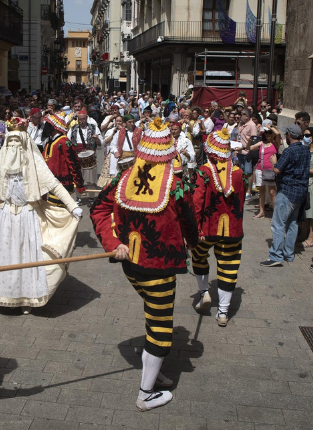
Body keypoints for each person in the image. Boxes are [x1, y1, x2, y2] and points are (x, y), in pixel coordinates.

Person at [90, 118, 198, 411]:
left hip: (130, 264)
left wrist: (113, 243)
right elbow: (189, 221)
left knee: (153, 314)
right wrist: (193, 241)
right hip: (159, 268)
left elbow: (97, 208)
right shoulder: (176, 184)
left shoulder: (123, 178)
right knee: (160, 330)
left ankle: (154, 368)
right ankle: (145, 394)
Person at [0, 123, 84, 314]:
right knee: (7, 255)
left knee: (27, 255)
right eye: (10, 142)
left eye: (17, 142)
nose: (13, 146)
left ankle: (27, 299)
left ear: (24, 143)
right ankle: (7, 295)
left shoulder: (34, 163)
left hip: (28, 216)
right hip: (5, 217)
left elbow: (54, 184)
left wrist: (73, 206)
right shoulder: (1, 163)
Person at [190, 127, 247, 327]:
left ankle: (204, 293)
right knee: (228, 267)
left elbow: (196, 203)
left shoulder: (203, 172)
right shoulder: (238, 173)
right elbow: (242, 201)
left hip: (207, 230)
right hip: (232, 230)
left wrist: (194, 229)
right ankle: (223, 312)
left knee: (199, 257)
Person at [262, 126, 312, 267]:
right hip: (300, 192)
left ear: (289, 135)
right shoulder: (305, 150)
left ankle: (276, 255)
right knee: (292, 223)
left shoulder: (289, 151)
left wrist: (273, 162)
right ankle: (289, 254)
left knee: (278, 224)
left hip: (287, 191)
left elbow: (277, 169)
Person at [39, 113, 86, 208]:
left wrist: (79, 184)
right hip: (51, 183)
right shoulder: (49, 142)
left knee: (55, 211)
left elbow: (74, 164)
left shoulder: (64, 142)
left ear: (54, 127)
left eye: (48, 125)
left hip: (62, 184)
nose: (45, 127)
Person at [250, 125, 279, 218]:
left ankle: (275, 215)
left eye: (270, 133)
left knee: (272, 192)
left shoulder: (276, 143)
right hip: (260, 169)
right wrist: (249, 141)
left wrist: (271, 127)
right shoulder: (262, 143)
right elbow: (250, 148)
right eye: (266, 133)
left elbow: (278, 133)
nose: (267, 134)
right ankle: (262, 211)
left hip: (270, 170)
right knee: (261, 192)